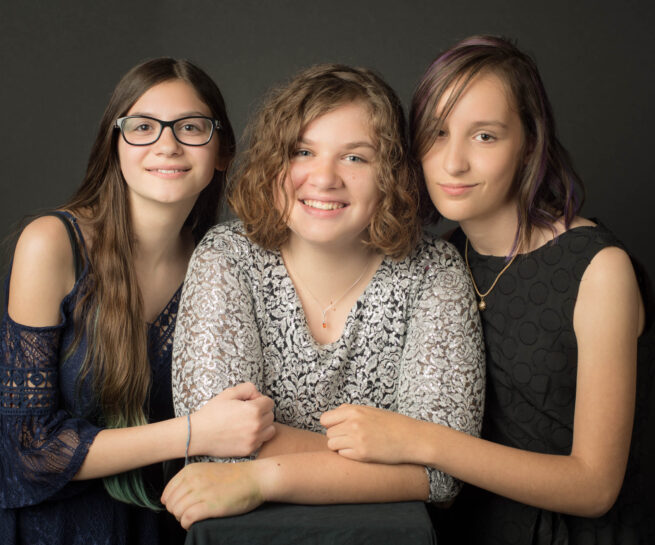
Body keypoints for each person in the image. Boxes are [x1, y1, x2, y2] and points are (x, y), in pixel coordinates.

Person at [320, 36, 655, 543]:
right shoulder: (441, 260)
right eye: (436, 133)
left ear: (528, 144)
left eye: (485, 137)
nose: (453, 163)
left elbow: (594, 486)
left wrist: (421, 440)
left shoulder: (599, 270)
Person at [162, 63, 486, 529]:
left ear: (390, 174)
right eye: (302, 152)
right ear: (275, 163)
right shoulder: (227, 257)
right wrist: (395, 454)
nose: (324, 177)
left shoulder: (434, 271)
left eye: (355, 157)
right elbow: (218, 444)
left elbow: (442, 475)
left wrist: (263, 476)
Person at [0, 58, 276, 545]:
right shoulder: (52, 243)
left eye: (190, 127)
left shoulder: (221, 266)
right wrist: (196, 432)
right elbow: (28, 450)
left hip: (167, 525)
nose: (166, 144)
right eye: (143, 127)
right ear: (115, 145)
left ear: (223, 152)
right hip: (55, 530)